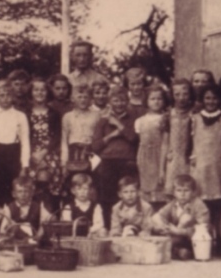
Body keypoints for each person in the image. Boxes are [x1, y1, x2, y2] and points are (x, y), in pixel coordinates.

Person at [91, 85, 139, 228]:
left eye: (122, 100)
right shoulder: (103, 121)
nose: (119, 104)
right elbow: (95, 146)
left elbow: (133, 139)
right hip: (108, 162)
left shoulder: (133, 119)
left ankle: (129, 227)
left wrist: (118, 124)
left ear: (127, 101)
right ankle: (108, 227)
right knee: (107, 198)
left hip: (127, 162)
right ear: (110, 101)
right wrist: (112, 135)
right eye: (115, 101)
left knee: (129, 196)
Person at [189, 84, 221, 232]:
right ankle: (201, 237)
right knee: (200, 203)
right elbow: (189, 144)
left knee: (218, 203)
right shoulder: (194, 119)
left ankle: (219, 241)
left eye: (214, 98)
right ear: (202, 99)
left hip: (217, 167)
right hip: (199, 167)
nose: (211, 101)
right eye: (207, 98)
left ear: (220, 99)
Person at [0, 79, 30, 206]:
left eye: (8, 95)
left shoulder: (20, 116)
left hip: (14, 157)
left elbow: (25, 142)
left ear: (13, 96)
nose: (5, 98)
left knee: (14, 193)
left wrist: (24, 166)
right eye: (1, 95)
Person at [152, 174, 211, 260]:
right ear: (174, 192)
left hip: (191, 238)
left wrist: (179, 231)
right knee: (156, 218)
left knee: (186, 218)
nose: (182, 194)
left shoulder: (199, 204)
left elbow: (203, 227)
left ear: (193, 192)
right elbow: (159, 215)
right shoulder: (174, 203)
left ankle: (177, 250)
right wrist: (163, 227)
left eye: (186, 191)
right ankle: (177, 251)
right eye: (179, 191)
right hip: (175, 236)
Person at [134, 86, 170, 204]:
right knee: (146, 188)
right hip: (144, 157)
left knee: (159, 185)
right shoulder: (140, 121)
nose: (156, 101)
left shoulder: (165, 118)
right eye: (152, 99)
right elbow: (140, 143)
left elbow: (165, 143)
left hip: (159, 156)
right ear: (146, 101)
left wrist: (161, 169)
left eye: (159, 98)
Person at [60, 84, 101, 178]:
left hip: (91, 152)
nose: (83, 100)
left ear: (90, 99)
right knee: (75, 180)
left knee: (91, 180)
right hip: (73, 153)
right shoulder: (68, 117)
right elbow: (64, 140)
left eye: (86, 97)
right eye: (79, 97)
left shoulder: (96, 115)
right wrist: (64, 162)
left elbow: (99, 137)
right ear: (72, 98)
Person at [166, 78, 194, 194]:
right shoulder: (169, 114)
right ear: (172, 95)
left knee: (188, 189)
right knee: (173, 189)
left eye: (185, 94)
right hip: (173, 156)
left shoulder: (194, 113)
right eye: (177, 94)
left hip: (189, 157)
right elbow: (165, 139)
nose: (181, 98)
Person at [28, 77, 61, 172]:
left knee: (52, 171)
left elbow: (57, 136)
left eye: (43, 90)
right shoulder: (26, 113)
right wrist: (33, 153)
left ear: (48, 92)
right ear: (31, 92)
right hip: (31, 153)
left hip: (49, 151)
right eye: (36, 90)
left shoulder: (54, 113)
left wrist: (44, 152)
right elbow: (24, 136)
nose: (39, 93)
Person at [59, 173, 106, 237]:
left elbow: (99, 224)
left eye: (85, 189)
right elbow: (67, 225)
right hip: (73, 235)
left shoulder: (96, 206)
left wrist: (89, 231)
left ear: (90, 190)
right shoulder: (68, 208)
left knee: (103, 231)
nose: (82, 192)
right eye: (79, 189)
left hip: (90, 235)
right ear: (73, 191)